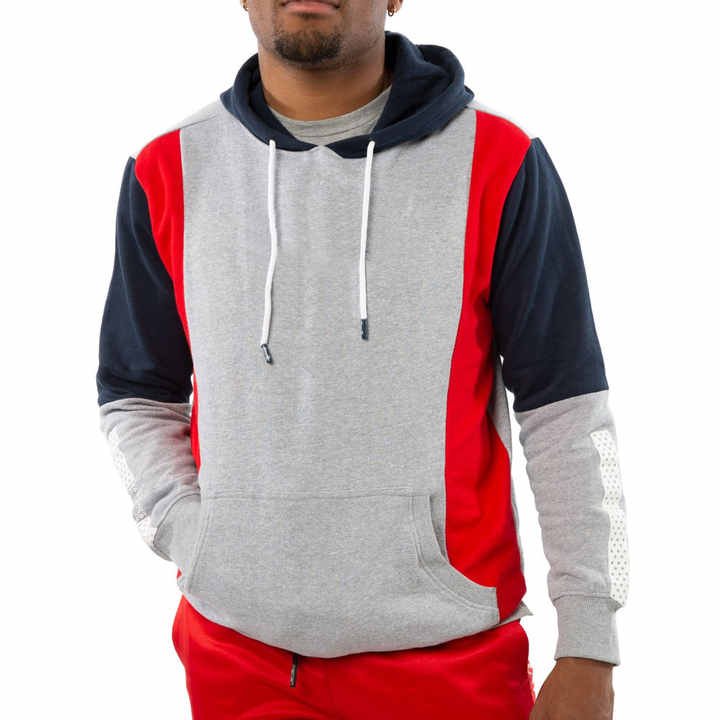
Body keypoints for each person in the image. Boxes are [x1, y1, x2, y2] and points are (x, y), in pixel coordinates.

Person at [95, 1, 629, 718]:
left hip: (449, 659)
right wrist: (191, 533)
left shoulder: (499, 159)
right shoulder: (168, 169)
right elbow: (134, 394)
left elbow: (567, 412)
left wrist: (589, 643)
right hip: (235, 656)